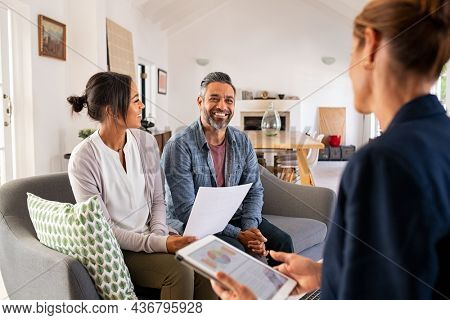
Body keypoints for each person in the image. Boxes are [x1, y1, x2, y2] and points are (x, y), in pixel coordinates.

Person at [211, 0, 450, 299]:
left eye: (351, 53)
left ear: (372, 45)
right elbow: (407, 273)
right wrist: (325, 274)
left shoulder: (381, 162)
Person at [67, 71, 216, 300]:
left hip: (152, 236)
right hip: (119, 250)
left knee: (204, 262)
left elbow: (158, 200)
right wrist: (160, 244)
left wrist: (159, 237)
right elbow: (105, 230)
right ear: (112, 110)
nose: (142, 105)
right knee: (179, 270)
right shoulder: (84, 158)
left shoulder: (145, 141)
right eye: (136, 100)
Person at [161, 72, 294, 266]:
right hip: (194, 224)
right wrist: (239, 235)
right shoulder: (179, 146)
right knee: (237, 251)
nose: (222, 106)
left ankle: (281, 295)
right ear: (200, 102)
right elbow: (186, 211)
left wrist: (250, 229)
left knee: (283, 242)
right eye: (214, 99)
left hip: (234, 216)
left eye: (228, 100)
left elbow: (254, 190)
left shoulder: (242, 141)